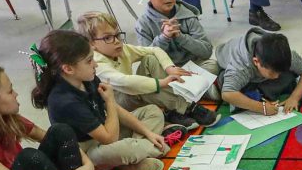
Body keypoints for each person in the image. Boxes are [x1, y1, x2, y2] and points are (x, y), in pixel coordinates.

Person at [35, 30, 169, 170]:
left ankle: (131, 159)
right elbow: (109, 138)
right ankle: (134, 155)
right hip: (88, 152)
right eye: (89, 61)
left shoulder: (87, 77)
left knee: (152, 112)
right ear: (68, 69)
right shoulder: (65, 101)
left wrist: (148, 133)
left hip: (105, 133)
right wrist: (110, 100)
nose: (95, 65)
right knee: (127, 149)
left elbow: (116, 112)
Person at [77, 10, 213, 133]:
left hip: (131, 96)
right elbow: (125, 82)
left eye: (117, 35)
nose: (117, 41)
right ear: (91, 44)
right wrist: (161, 83)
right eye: (107, 38)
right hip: (114, 107)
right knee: (138, 89)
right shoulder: (97, 63)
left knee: (150, 59)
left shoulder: (122, 49)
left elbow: (154, 50)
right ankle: (186, 107)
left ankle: (173, 111)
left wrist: (169, 67)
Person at [131, 0, 217, 68]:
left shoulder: (187, 16)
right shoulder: (143, 24)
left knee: (213, 66)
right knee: (145, 70)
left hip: (192, 67)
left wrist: (180, 37)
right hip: (164, 70)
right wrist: (164, 37)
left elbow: (207, 51)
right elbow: (146, 60)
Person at [216, 31, 302, 115]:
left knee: (288, 76)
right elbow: (227, 94)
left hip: (258, 76)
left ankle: (260, 93)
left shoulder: (284, 55)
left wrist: (294, 98)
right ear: (256, 61)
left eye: (278, 72)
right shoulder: (241, 65)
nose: (276, 77)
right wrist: (262, 108)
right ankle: (259, 94)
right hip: (235, 73)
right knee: (226, 84)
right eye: (272, 73)